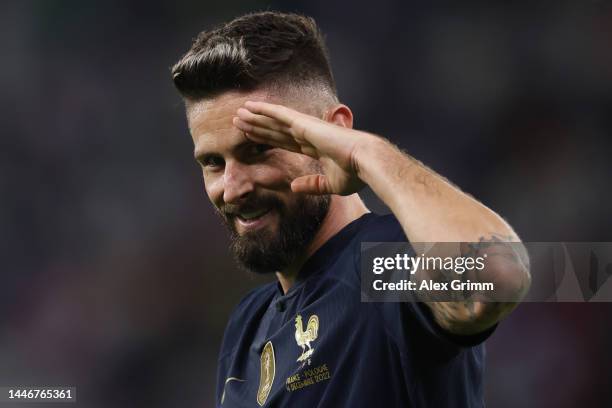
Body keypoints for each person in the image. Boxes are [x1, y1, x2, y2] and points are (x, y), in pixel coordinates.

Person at [171, 11, 530, 408]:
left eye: (258, 150)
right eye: (213, 163)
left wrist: (365, 151)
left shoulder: (382, 265)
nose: (233, 188)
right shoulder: (249, 322)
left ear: (333, 132)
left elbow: (498, 277)